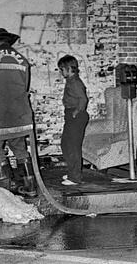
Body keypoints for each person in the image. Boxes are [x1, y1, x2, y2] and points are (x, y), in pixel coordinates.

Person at [0, 27, 38, 197]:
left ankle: (4, 193)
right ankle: (31, 187)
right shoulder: (23, 61)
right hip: (19, 116)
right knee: (20, 149)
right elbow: (25, 87)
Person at [57, 55, 89, 186]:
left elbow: (83, 99)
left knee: (73, 147)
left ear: (70, 68)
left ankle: (75, 178)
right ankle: (72, 172)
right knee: (66, 144)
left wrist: (76, 112)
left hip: (76, 115)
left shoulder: (75, 82)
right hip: (71, 115)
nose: (61, 72)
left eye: (62, 69)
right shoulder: (71, 80)